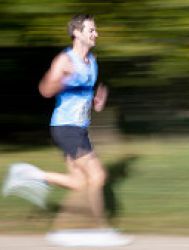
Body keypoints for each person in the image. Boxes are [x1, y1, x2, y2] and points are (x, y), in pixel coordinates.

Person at [2, 14, 131, 246]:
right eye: (91, 30)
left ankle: (29, 175)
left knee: (80, 182)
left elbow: (83, 93)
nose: (96, 34)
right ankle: (102, 229)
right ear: (77, 33)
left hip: (79, 130)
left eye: (95, 30)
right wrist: (61, 80)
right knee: (98, 176)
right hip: (65, 127)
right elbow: (45, 90)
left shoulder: (92, 62)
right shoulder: (65, 60)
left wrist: (96, 103)